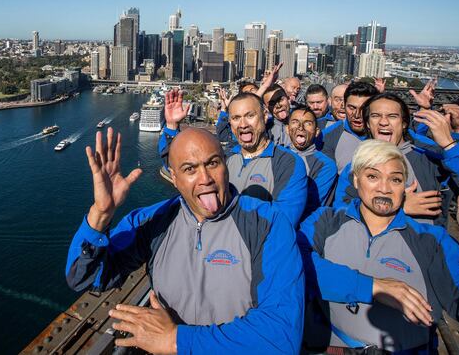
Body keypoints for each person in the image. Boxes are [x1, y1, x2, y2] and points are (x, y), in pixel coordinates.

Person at [67, 128, 305, 353]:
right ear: (174, 177)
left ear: (226, 164)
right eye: (190, 169)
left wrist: (177, 340)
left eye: (212, 163)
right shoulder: (152, 221)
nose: (205, 179)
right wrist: (100, 214)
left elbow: (282, 336)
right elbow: (86, 278)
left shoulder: (268, 225)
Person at [298, 140, 459, 352]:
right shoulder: (326, 222)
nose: (384, 187)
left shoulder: (432, 242)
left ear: (405, 186)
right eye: (373, 176)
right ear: (356, 180)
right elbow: (296, 268)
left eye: (395, 179)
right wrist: (373, 287)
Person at [332, 93, 459, 224]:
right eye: (376, 116)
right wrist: (396, 207)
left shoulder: (429, 160)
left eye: (392, 116)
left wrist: (450, 146)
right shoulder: (356, 166)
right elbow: (341, 214)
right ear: (368, 125)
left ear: (404, 124)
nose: (384, 122)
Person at [160, 89, 308, 226]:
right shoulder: (226, 157)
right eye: (236, 118)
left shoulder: (287, 163)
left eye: (250, 116)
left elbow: (284, 221)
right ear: (230, 123)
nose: (243, 124)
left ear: (264, 116)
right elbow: (181, 169)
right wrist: (172, 126)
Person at [286, 105, 338, 215]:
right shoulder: (276, 156)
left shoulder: (326, 165)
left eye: (308, 123)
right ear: (287, 128)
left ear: (317, 131)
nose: (300, 127)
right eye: (295, 122)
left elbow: (311, 205)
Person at [320, 81, 379, 172]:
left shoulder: (390, 134)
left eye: (364, 108)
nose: (357, 115)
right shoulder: (327, 137)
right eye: (351, 108)